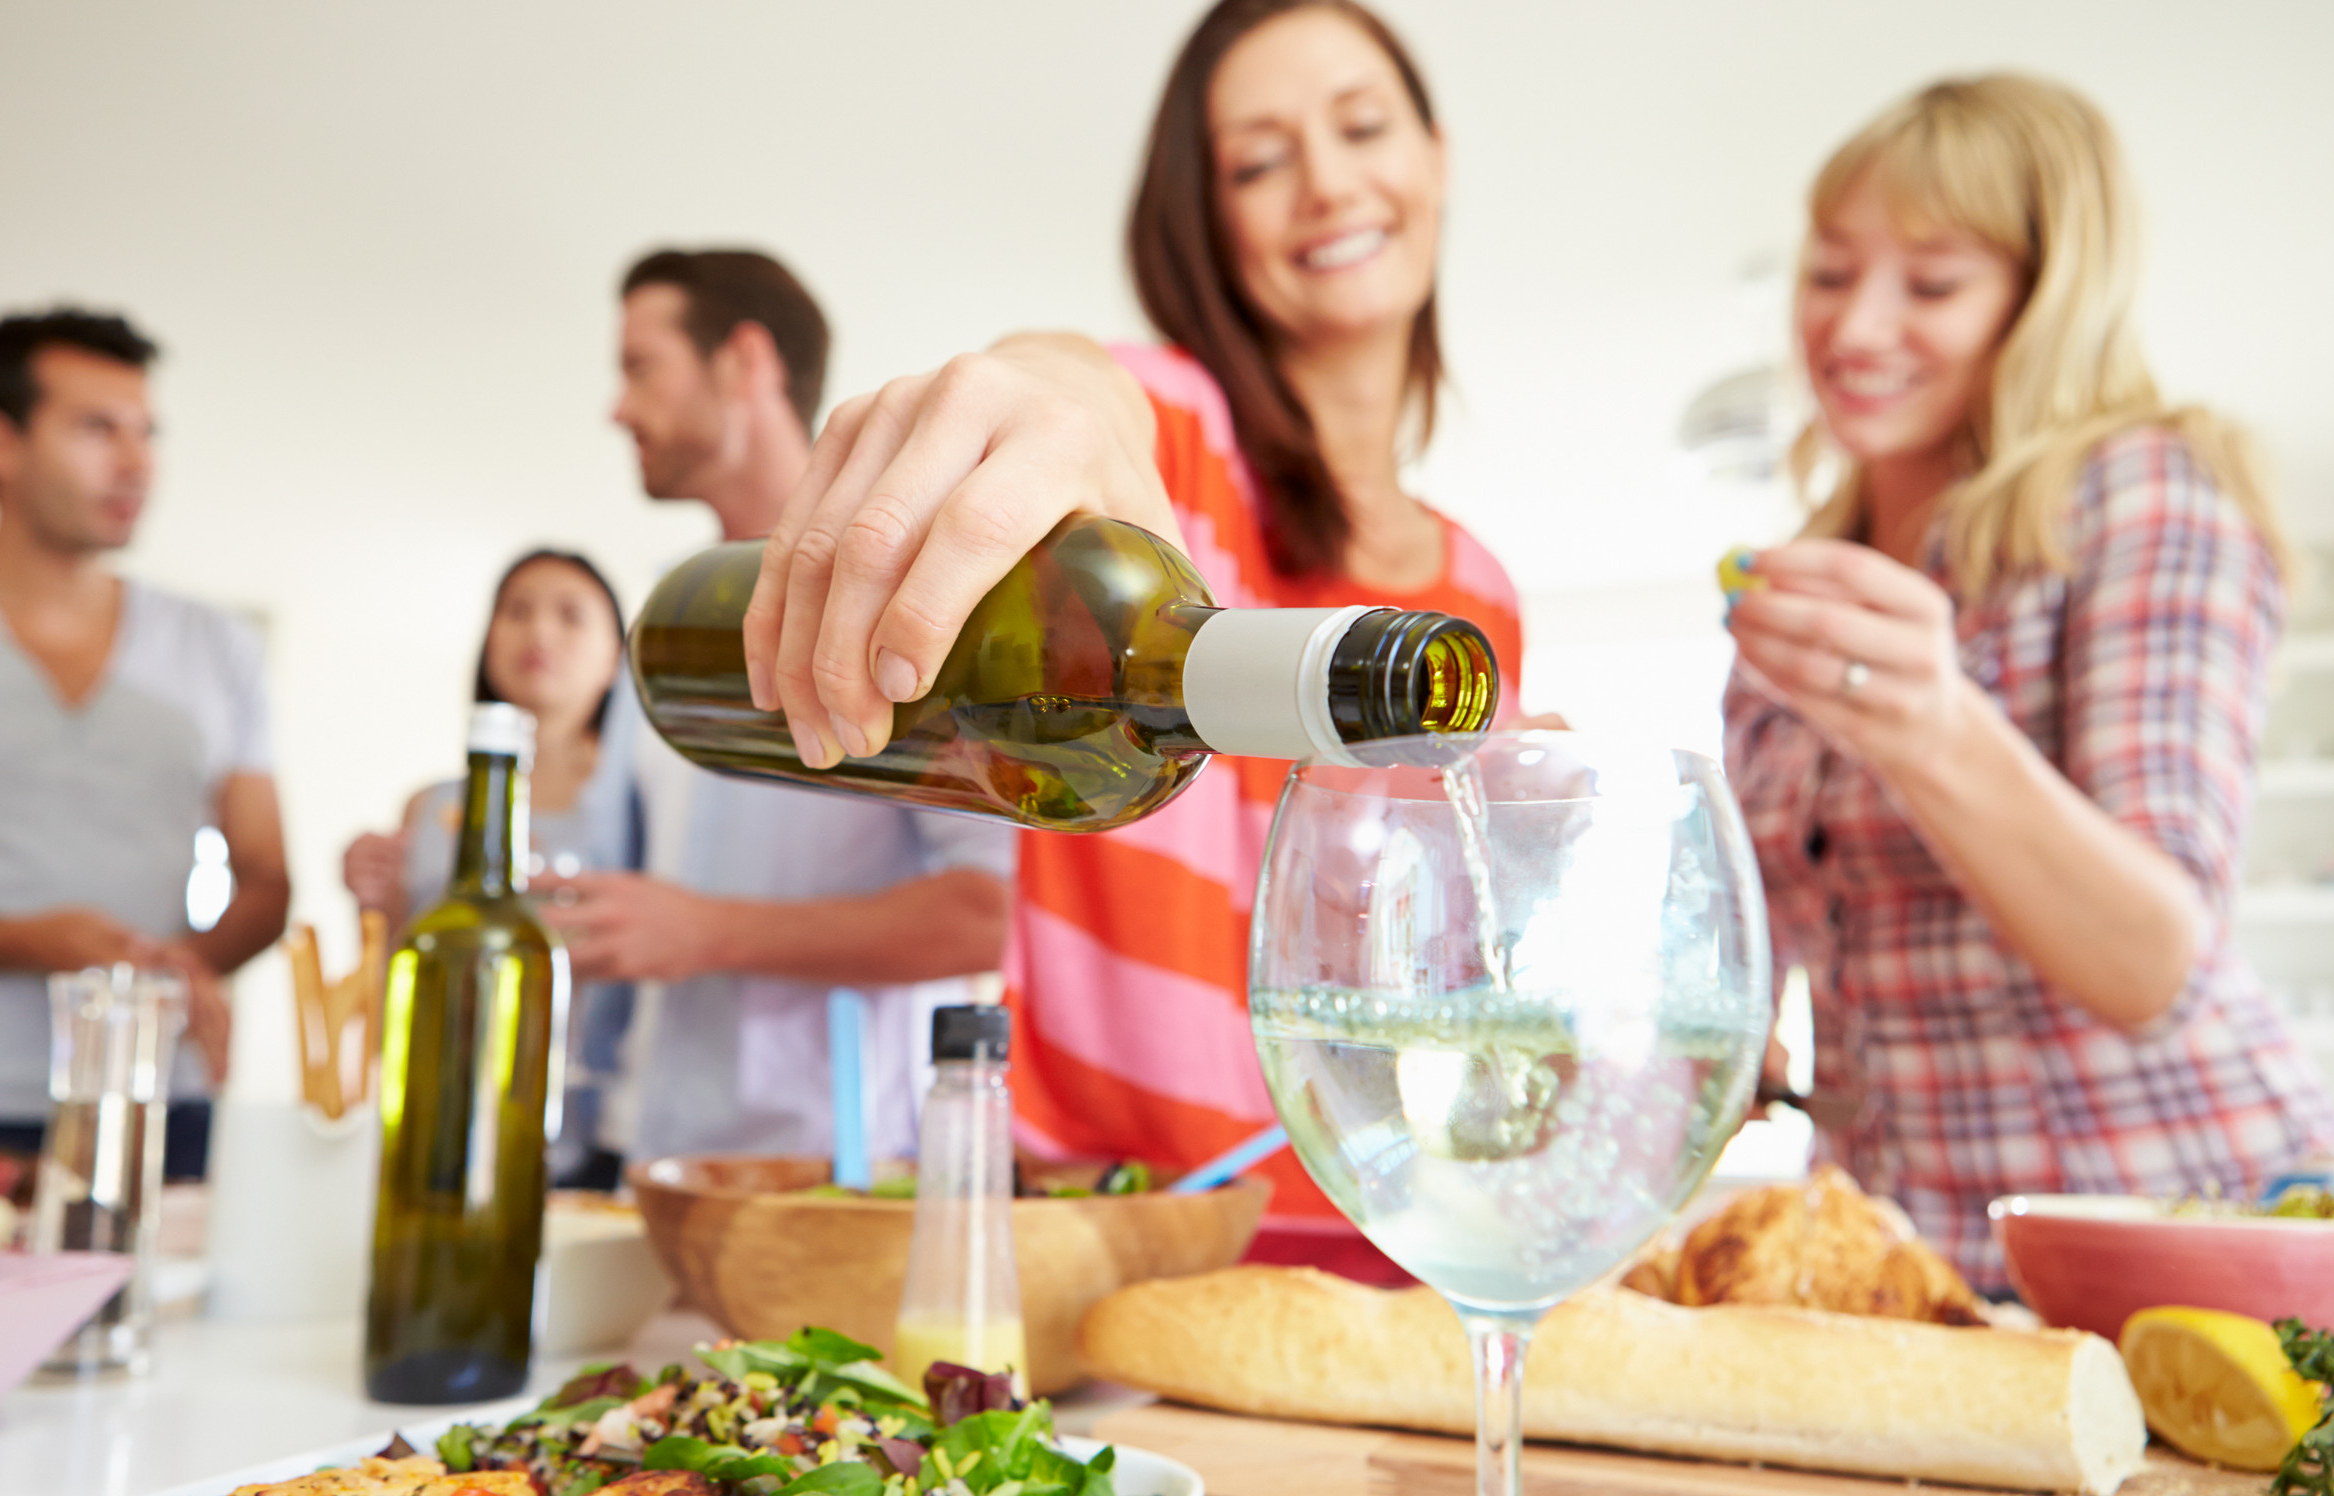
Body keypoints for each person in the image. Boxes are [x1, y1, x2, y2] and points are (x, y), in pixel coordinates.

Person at [731, 1, 1529, 1275]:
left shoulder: (1477, 590)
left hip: (1395, 1267)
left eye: (1362, 126)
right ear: (1204, 228)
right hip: (1103, 1268)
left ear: (1432, 156)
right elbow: (1079, 387)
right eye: (1259, 162)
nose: (1325, 183)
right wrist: (1042, 396)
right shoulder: (1172, 444)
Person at [1722, 75, 2334, 1288]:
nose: (1854, 330)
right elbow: (1777, 973)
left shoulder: (2144, 495)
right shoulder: (1812, 574)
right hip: (1909, 1259)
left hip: (2178, 1226)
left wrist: (1936, 729)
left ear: (2044, 297)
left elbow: (2156, 963)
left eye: (1935, 283)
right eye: (1830, 271)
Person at [541, 249, 1016, 1162]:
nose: (616, 406)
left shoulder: (910, 606)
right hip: (640, 1163)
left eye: (641, 366)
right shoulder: (660, 631)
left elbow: (989, 912)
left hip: (834, 1188)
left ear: (744, 362)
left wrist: (709, 931)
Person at [0, 307, 290, 1178]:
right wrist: (27, 942)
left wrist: (175, 969)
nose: (138, 464)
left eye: (147, 433)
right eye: (97, 429)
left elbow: (268, 881)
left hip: (150, 1104)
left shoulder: (219, 645)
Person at [342, 547, 642, 1185]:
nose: (539, 632)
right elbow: (393, 979)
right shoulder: (430, 807)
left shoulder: (638, 802)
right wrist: (371, 904)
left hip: (586, 1132)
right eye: (516, 611)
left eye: (570, 615)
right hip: (436, 1113)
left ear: (618, 656)